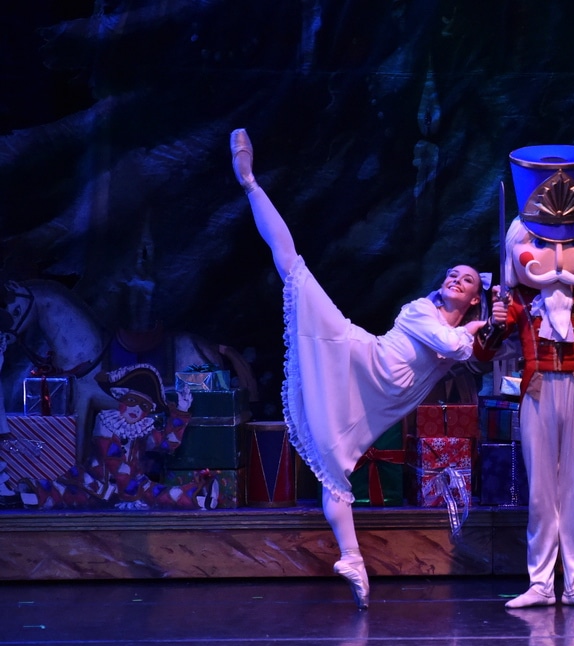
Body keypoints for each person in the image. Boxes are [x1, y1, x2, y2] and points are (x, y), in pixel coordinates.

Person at [230, 128, 488, 610]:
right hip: (355, 357)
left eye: (467, 279)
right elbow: (454, 346)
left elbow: (473, 357)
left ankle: (353, 560)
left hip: (372, 405)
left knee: (335, 472)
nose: (456, 278)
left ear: (475, 296)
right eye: (452, 273)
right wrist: (475, 328)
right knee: (294, 269)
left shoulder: (458, 335)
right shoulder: (420, 311)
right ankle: (250, 183)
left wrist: (490, 326)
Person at [476, 145, 574, 609]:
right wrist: (492, 322)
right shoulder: (519, 301)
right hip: (537, 395)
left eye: (569, 244)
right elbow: (484, 355)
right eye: (543, 245)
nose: (558, 258)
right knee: (542, 493)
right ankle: (541, 583)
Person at [17, 364, 219, 510]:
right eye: (131, 401)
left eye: (143, 406)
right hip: (97, 484)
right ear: (121, 400)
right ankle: (32, 493)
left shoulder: (141, 428)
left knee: (159, 495)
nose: (136, 409)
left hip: (131, 486)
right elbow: (113, 461)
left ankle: (199, 494)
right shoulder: (106, 422)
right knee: (72, 497)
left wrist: (181, 412)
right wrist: (132, 493)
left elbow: (167, 445)